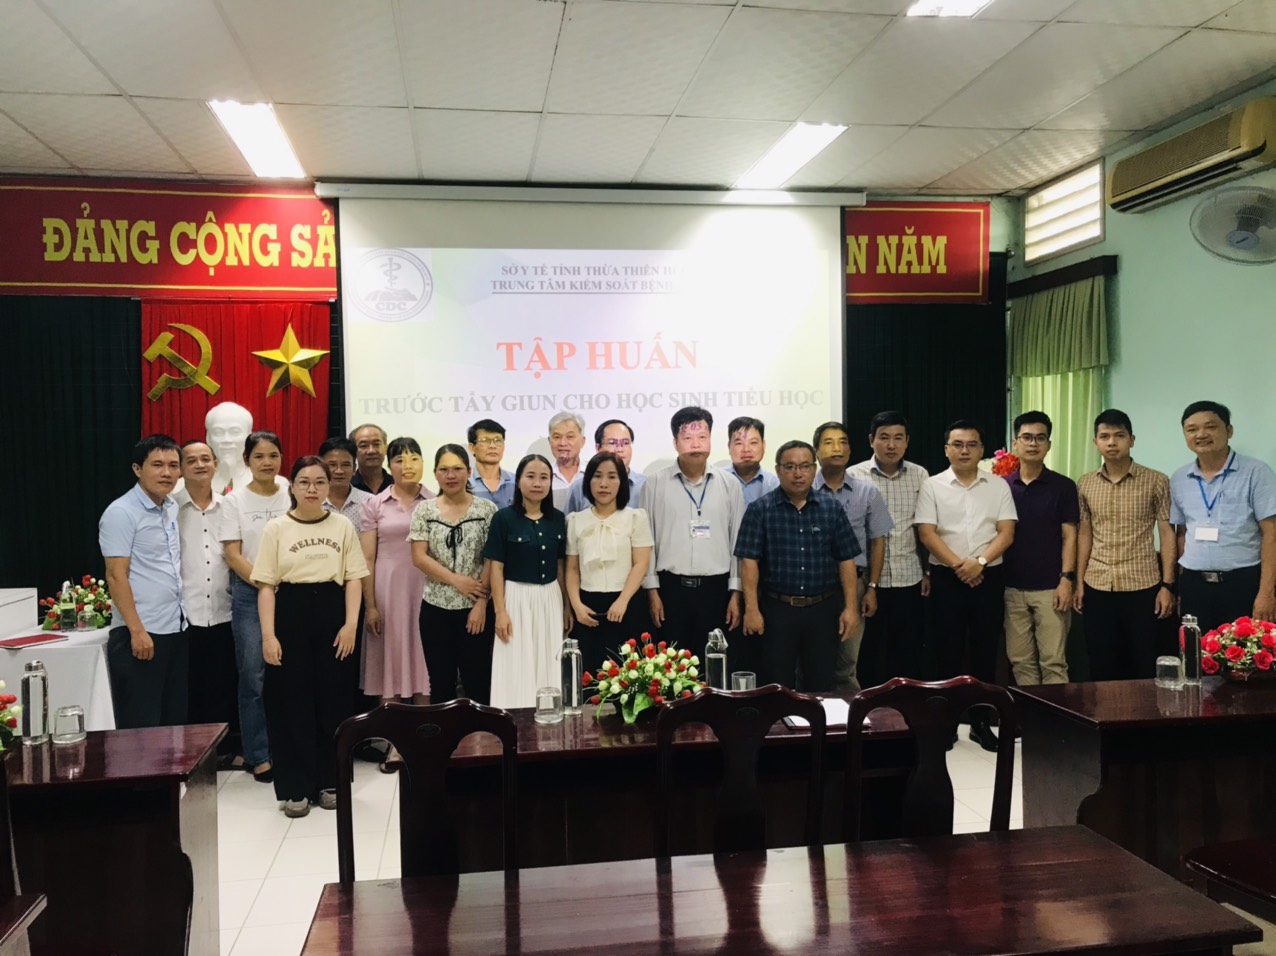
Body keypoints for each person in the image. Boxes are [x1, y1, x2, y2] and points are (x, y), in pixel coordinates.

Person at [253, 456, 368, 817]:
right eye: (304, 482)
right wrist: (268, 636)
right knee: (291, 702)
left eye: (320, 482)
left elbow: (354, 578)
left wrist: (351, 624)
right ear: (292, 486)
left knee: (334, 700)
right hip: (290, 613)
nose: (312, 489)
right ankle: (296, 787)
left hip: (333, 614)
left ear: (328, 486)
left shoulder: (342, 526)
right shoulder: (276, 528)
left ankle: (331, 781)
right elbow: (266, 586)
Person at [915, 420, 1016, 751]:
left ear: (981, 450)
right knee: (946, 653)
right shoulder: (932, 485)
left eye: (972, 445)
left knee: (985, 653)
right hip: (947, 578)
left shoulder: (998, 486)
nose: (964, 450)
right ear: (947, 449)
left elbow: (1006, 532)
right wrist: (961, 566)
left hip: (988, 577)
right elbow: (927, 533)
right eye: (957, 444)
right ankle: (946, 724)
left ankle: (981, 723)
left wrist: (980, 562)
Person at [735, 441, 860, 691]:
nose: (798, 473)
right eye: (790, 467)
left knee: (821, 684)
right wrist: (752, 609)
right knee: (776, 684)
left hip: (823, 610)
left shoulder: (831, 509)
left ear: (814, 469)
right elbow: (749, 561)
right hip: (777, 610)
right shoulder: (760, 510)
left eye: (804, 466)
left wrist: (850, 608)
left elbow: (846, 559)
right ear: (778, 470)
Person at [1075, 409, 1176, 680]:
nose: (1112, 442)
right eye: (1104, 436)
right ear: (1095, 441)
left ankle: (1144, 709)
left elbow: (1167, 532)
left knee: (1144, 662)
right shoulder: (1085, 483)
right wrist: (1080, 582)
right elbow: (1085, 533)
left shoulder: (1157, 481)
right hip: (1098, 584)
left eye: (1119, 435)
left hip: (1142, 585)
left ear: (1131, 440)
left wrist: (1167, 585)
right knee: (1101, 662)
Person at [641, 407, 745, 662]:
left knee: (715, 665)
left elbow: (737, 541)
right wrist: (652, 591)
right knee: (672, 666)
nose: (696, 444)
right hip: (670, 591)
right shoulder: (654, 484)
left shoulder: (729, 484)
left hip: (716, 591)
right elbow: (646, 541)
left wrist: (736, 592)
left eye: (702, 437)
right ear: (675, 442)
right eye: (687, 438)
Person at [217, 430, 291, 782]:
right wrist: (265, 584)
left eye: (273, 455)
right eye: (259, 456)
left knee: (290, 674)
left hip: (293, 592)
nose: (267, 462)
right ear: (247, 460)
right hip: (251, 593)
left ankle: (288, 748)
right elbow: (232, 553)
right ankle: (258, 754)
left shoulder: (290, 490)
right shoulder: (234, 501)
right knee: (253, 674)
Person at [100, 435, 186, 729]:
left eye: (173, 465)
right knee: (142, 727)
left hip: (175, 628)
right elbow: (116, 575)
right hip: (140, 632)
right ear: (138, 469)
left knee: (173, 720)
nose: (167, 472)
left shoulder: (171, 506)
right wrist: (137, 631)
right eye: (157, 465)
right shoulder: (121, 512)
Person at [1170, 400, 1276, 630]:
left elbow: (1272, 533)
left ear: (1229, 430)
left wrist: (1267, 592)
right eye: (1192, 429)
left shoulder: (1256, 472)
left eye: (1210, 426)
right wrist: (1180, 588)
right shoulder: (1179, 479)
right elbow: (1182, 533)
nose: (1201, 434)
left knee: (1242, 650)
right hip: (1194, 585)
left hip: (1242, 583)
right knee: (1196, 649)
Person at [410, 444, 498, 705]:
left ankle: (480, 732)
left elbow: (491, 559)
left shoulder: (486, 510)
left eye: (458, 469)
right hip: (435, 608)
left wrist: (481, 604)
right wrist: (456, 580)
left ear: (469, 472)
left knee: (478, 681)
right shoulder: (424, 510)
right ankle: (445, 733)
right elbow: (419, 557)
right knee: (440, 683)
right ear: (435, 474)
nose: (451, 475)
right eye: (444, 469)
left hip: (475, 609)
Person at [848, 411, 931, 683]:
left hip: (909, 577)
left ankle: (903, 706)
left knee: (906, 654)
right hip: (867, 581)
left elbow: (924, 527)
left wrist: (927, 571)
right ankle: (869, 706)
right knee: (867, 654)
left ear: (907, 441)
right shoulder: (854, 475)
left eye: (898, 438)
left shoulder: (920, 475)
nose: (891, 445)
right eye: (884, 437)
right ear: (871, 440)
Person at [811, 421, 892, 691]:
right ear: (816, 450)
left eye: (843, 442)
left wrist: (872, 587)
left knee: (847, 664)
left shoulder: (868, 492)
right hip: (811, 586)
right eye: (829, 442)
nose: (837, 448)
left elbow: (878, 540)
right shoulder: (802, 489)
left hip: (854, 586)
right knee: (809, 661)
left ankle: (848, 716)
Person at [1001, 412, 1079, 686]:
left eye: (1040, 438)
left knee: (1053, 662)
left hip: (1051, 588)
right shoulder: (1003, 487)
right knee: (1020, 661)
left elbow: (1070, 536)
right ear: (1015, 443)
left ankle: (1055, 714)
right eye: (1027, 437)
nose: (1033, 443)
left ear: (1048, 444)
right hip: (1011, 588)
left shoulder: (1063, 486)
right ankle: (1030, 711)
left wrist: (1066, 580)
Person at [361, 438, 434, 728]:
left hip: (426, 587)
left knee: (423, 656)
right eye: (399, 460)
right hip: (387, 590)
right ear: (389, 465)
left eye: (413, 458)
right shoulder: (374, 504)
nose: (407, 466)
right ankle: (392, 738)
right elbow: (367, 558)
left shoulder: (434, 501)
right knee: (389, 658)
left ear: (423, 463)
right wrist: (370, 605)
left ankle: (425, 734)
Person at [486, 454, 569, 709]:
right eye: (530, 476)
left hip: (550, 597)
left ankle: (549, 717)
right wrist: (500, 611)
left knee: (549, 659)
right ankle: (514, 718)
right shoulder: (503, 519)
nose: (537, 483)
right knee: (515, 660)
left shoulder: (558, 518)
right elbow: (496, 568)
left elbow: (560, 566)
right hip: (515, 597)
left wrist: (566, 606)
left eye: (544, 477)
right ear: (518, 480)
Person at [173, 440, 237, 761]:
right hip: (184, 615)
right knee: (188, 689)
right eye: (191, 460)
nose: (200, 465)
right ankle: (192, 756)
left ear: (215, 465)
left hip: (225, 610)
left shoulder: (230, 507)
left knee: (221, 686)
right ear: (181, 469)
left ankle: (222, 752)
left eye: (205, 459)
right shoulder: (169, 508)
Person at [566, 451, 654, 670]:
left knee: (630, 675)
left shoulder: (635, 517)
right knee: (590, 673)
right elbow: (572, 569)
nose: (604, 483)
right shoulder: (575, 520)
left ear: (621, 482)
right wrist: (577, 606)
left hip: (627, 604)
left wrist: (622, 600)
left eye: (612, 476)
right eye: (597, 476)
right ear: (588, 481)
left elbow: (641, 564)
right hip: (587, 607)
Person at [564, 419, 646, 515]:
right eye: (612, 443)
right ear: (598, 448)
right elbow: (568, 522)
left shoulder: (645, 485)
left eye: (626, 443)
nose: (620, 449)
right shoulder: (579, 487)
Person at [723, 416, 779, 505]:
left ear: (763, 445)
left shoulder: (775, 484)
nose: (746, 449)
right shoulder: (717, 481)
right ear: (729, 446)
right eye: (739, 443)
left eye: (753, 443)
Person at [320, 437, 373, 525]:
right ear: (321, 467)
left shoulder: (370, 502)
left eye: (345, 465)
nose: (339, 471)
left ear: (354, 468)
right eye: (332, 465)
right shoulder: (312, 501)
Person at [204, 401, 254, 493]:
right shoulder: (184, 486)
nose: (226, 440)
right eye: (218, 432)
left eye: (235, 432)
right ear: (208, 438)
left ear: (249, 437)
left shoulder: (271, 483)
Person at [468, 419, 515, 509]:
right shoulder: (466, 483)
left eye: (498, 440)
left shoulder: (516, 481)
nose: (492, 446)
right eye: (485, 440)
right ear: (472, 447)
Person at [547, 412, 587, 511]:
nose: (563, 443)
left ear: (582, 441)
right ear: (549, 441)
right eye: (557, 437)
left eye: (570, 437)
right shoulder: (544, 477)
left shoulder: (592, 474)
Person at [350, 423, 392, 494]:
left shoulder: (397, 484)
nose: (371, 451)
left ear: (386, 448)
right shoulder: (347, 486)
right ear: (353, 451)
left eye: (376, 444)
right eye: (363, 445)